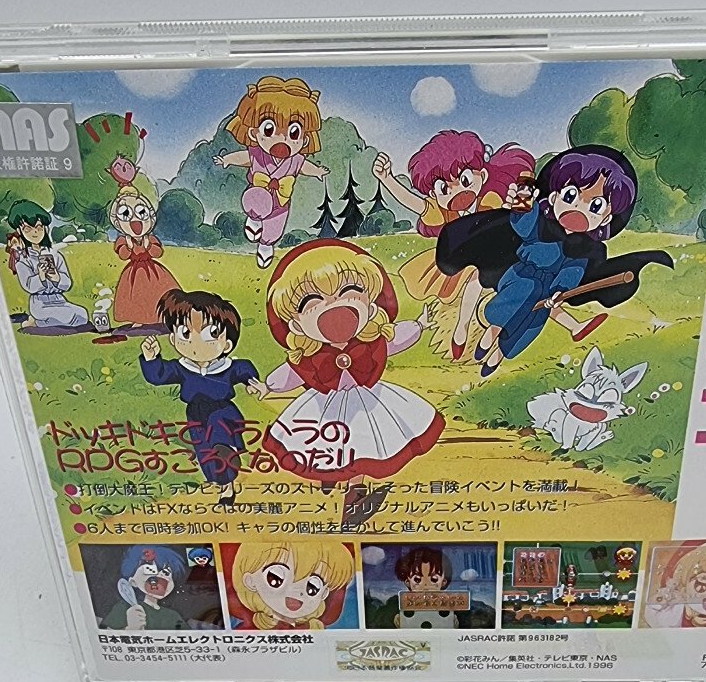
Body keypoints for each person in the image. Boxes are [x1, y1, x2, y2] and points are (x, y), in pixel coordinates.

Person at [435, 145, 672, 376]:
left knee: (532, 324)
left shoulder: (587, 249)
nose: (579, 209)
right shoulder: (540, 224)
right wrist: (522, 206)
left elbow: (573, 271)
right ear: (555, 195)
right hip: (521, 275)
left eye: (595, 206)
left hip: (547, 292)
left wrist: (560, 291)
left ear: (606, 218)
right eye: (571, 196)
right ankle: (490, 334)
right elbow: (522, 225)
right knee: (522, 293)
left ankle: (497, 355)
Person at [260, 240, 443, 484]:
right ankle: (330, 474)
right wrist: (268, 386)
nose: (334, 305)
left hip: (367, 400)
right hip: (325, 404)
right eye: (310, 301)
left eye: (349, 291)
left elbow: (396, 339)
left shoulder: (373, 341)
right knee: (325, 438)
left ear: (371, 304)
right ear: (295, 324)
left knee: (363, 441)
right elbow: (291, 374)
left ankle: (355, 489)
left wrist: (419, 325)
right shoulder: (310, 356)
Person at [373, 132, 535, 359]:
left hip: (502, 254)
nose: (458, 191)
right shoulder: (443, 212)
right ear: (434, 194)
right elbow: (414, 203)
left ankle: (465, 329)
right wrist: (387, 178)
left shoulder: (492, 196)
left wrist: (516, 205)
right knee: (474, 273)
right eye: (445, 189)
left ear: (482, 175)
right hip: (465, 260)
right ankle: (462, 328)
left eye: (465, 180)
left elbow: (523, 205)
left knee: (482, 274)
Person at [139, 289, 266, 508]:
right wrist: (151, 359)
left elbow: (244, 370)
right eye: (185, 333)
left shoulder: (227, 366)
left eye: (211, 334)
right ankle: (224, 483)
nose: (196, 343)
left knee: (220, 441)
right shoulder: (182, 368)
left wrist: (253, 383)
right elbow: (159, 376)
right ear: (173, 338)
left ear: (227, 344)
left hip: (223, 412)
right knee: (205, 451)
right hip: (196, 415)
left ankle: (227, 467)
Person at [214, 76, 329, 267]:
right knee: (256, 200)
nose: (282, 139)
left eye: (293, 133)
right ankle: (254, 219)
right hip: (259, 194)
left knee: (274, 229)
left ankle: (266, 246)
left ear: (304, 140)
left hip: (281, 203)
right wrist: (227, 160)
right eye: (269, 130)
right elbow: (243, 157)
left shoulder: (296, 160)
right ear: (254, 133)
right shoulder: (257, 154)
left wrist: (317, 171)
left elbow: (304, 167)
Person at [107, 155, 179, 327]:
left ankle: (162, 316)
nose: (135, 219)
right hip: (134, 273)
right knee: (136, 294)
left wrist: (148, 245)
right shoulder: (123, 240)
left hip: (153, 270)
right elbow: (123, 255)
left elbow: (158, 252)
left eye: (141, 212)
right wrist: (129, 246)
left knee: (159, 291)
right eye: (126, 214)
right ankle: (139, 319)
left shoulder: (150, 238)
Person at [228, 539, 355, 630]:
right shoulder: (246, 632)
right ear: (250, 581)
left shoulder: (316, 630)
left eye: (312, 588)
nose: (297, 592)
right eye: (276, 579)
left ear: (324, 594)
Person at [6, 199, 89, 329]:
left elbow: (67, 284)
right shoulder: (23, 260)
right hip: (39, 303)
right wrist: (40, 276)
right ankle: (37, 322)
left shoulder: (55, 255)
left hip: (59, 300)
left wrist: (56, 277)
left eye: (38, 227)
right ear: (20, 231)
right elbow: (28, 286)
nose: (34, 232)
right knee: (67, 315)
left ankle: (39, 322)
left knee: (82, 314)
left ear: (45, 228)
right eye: (28, 229)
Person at [101, 545, 188, 630]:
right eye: (150, 570)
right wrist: (131, 628)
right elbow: (106, 633)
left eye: (166, 572)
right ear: (133, 581)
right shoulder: (124, 607)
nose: (160, 575)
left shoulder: (173, 616)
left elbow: (188, 636)